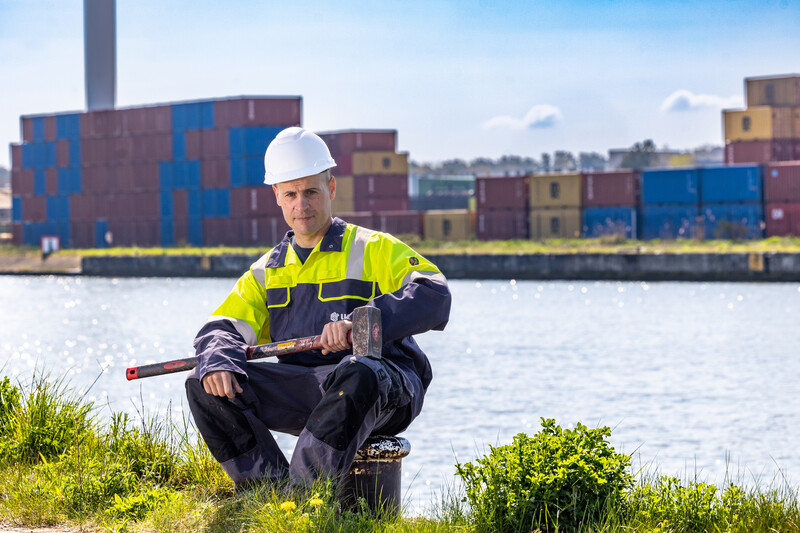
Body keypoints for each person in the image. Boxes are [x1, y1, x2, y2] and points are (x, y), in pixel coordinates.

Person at [185, 126, 451, 491]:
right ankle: (269, 498)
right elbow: (222, 326)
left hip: (384, 389)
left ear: (331, 188)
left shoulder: (373, 248)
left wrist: (363, 323)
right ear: (276, 195)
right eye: (291, 194)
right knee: (205, 384)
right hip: (313, 392)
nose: (302, 205)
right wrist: (218, 360)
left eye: (311, 191)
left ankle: (305, 500)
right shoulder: (266, 272)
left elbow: (434, 294)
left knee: (356, 370)